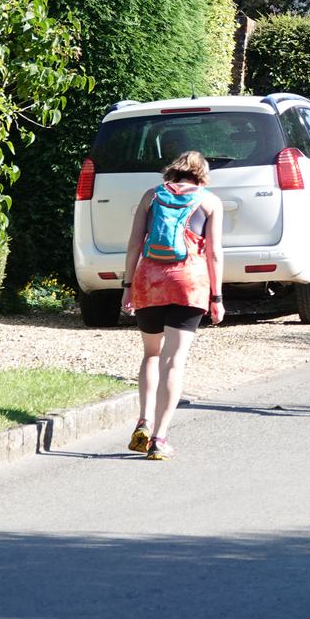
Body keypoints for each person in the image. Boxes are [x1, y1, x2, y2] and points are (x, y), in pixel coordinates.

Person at [122, 151, 225, 461]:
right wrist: (217, 297)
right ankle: (159, 437)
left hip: (149, 281)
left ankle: (143, 420)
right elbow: (215, 254)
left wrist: (127, 287)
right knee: (174, 360)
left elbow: (134, 244)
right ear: (202, 176)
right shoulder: (209, 202)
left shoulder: (151, 196)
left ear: (173, 171)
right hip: (188, 283)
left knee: (151, 355)